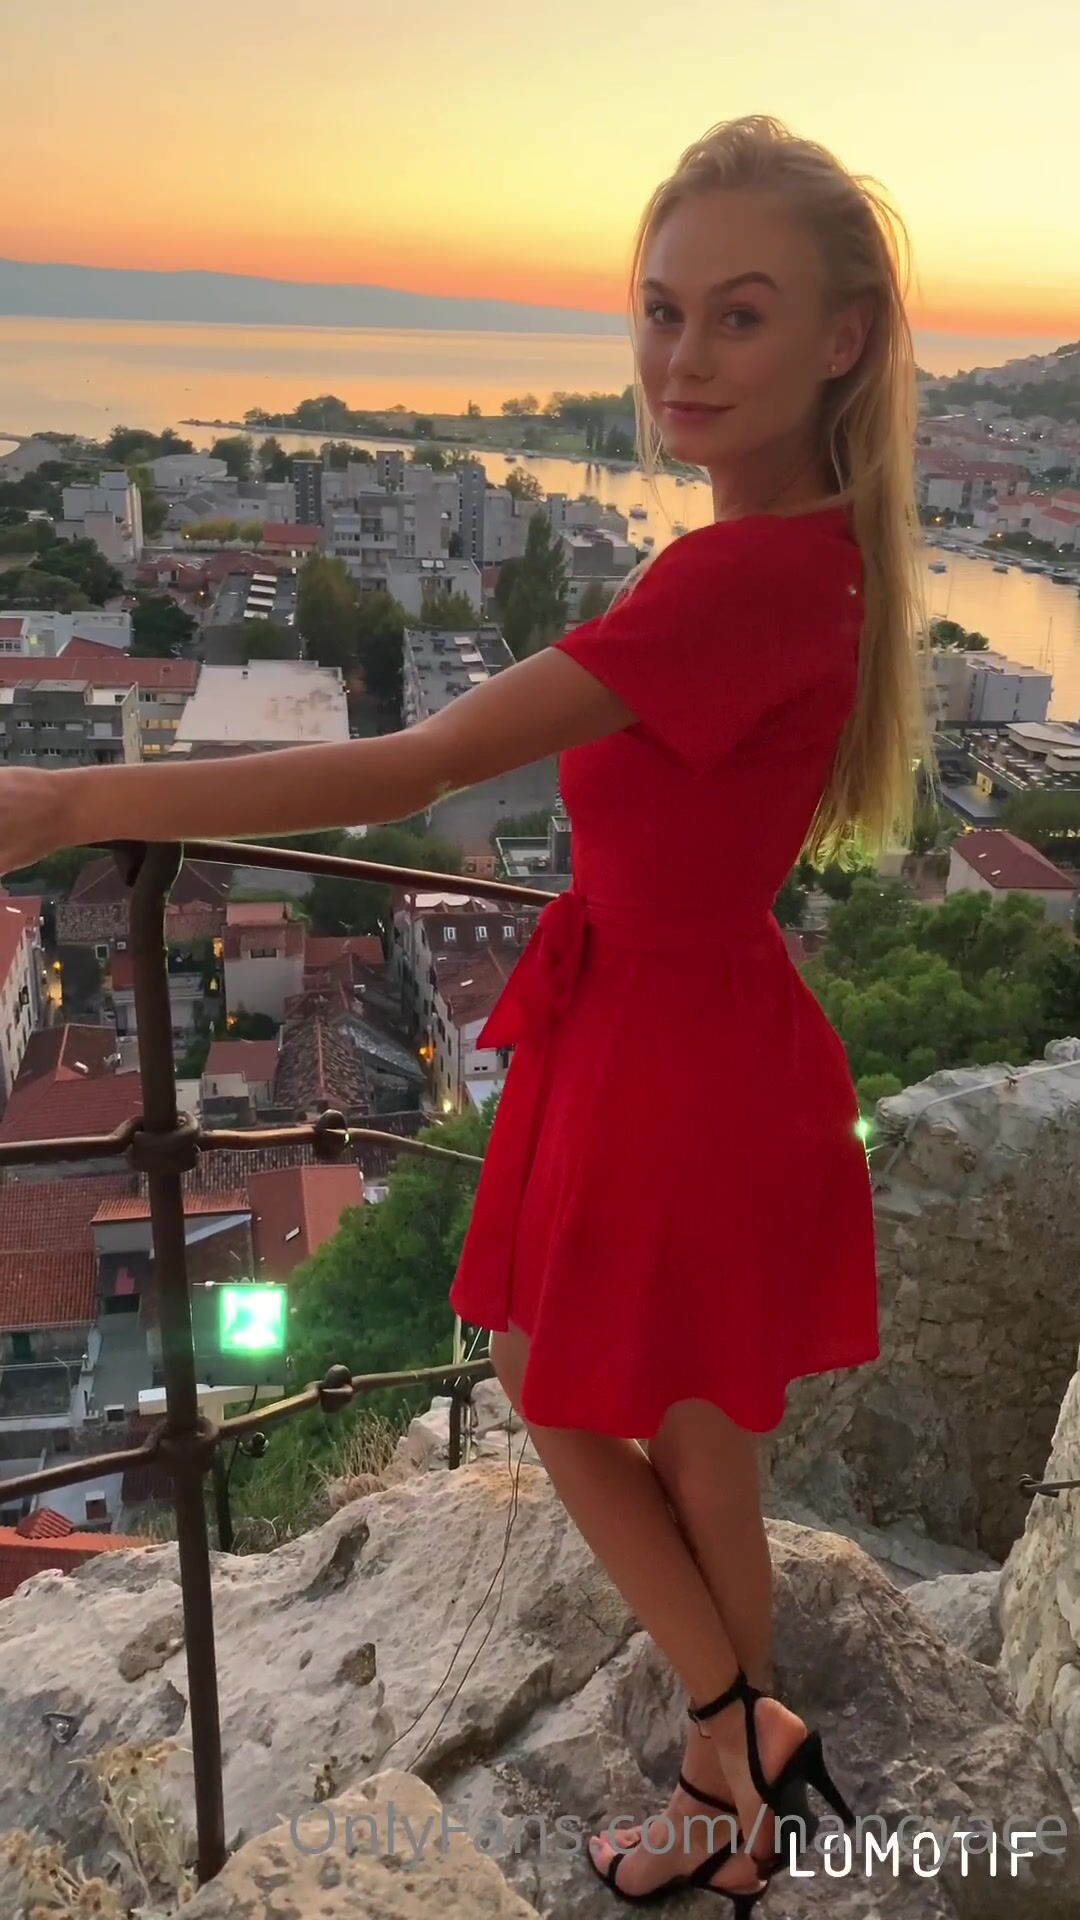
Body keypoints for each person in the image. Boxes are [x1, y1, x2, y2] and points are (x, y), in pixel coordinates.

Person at [0, 114, 932, 1912]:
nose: (680, 357)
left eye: (739, 316)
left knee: (546, 1377)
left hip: (666, 1044)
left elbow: (413, 766)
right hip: (703, 1020)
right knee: (696, 1436)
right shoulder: (815, 553)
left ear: (843, 337)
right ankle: (744, 1762)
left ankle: (732, 1737)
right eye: (661, 310)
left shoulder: (734, 577)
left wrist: (71, 801)